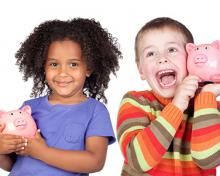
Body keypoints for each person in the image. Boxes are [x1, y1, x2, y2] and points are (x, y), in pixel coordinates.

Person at [0, 18, 122, 176]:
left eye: (73, 64)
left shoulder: (95, 111)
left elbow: (95, 161)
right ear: (43, 67)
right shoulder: (29, 108)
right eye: (54, 64)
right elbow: (14, 164)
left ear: (89, 68)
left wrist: (42, 152)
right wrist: (2, 150)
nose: (62, 73)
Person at [117, 17, 220, 176]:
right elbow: (137, 160)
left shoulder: (210, 107)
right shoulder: (135, 102)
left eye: (172, 50)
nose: (162, 58)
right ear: (141, 70)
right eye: (151, 53)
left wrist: (206, 98)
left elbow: (208, 159)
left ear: (190, 58)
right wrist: (177, 106)